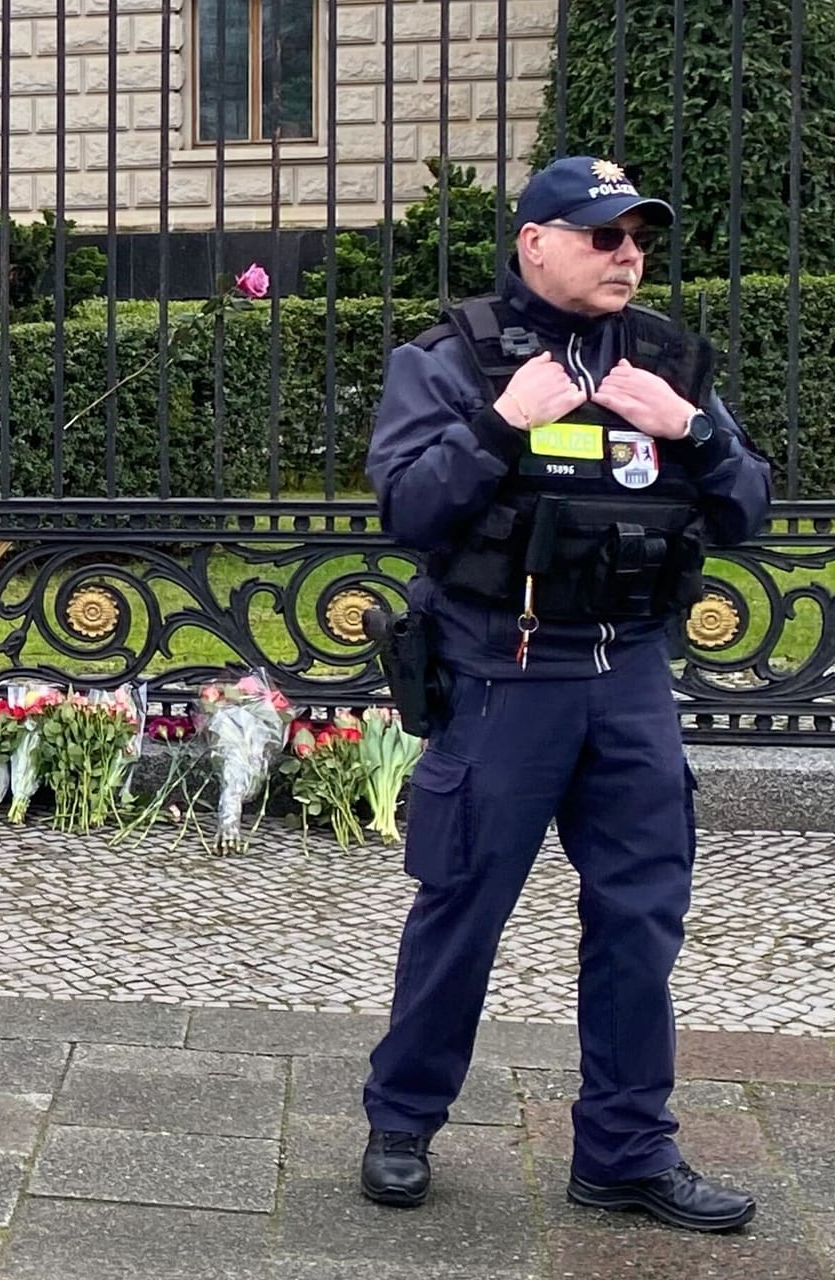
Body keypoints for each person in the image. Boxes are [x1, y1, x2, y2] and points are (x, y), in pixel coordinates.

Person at [359, 155, 772, 1232]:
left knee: (640, 919)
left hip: (629, 677)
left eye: (637, 236)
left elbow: (746, 511)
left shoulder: (666, 362)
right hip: (506, 676)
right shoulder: (449, 361)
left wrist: (698, 431)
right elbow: (408, 507)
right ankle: (402, 1120)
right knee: (462, 909)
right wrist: (502, 423)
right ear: (534, 241)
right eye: (603, 235)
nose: (627, 253)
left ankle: (627, 1149)